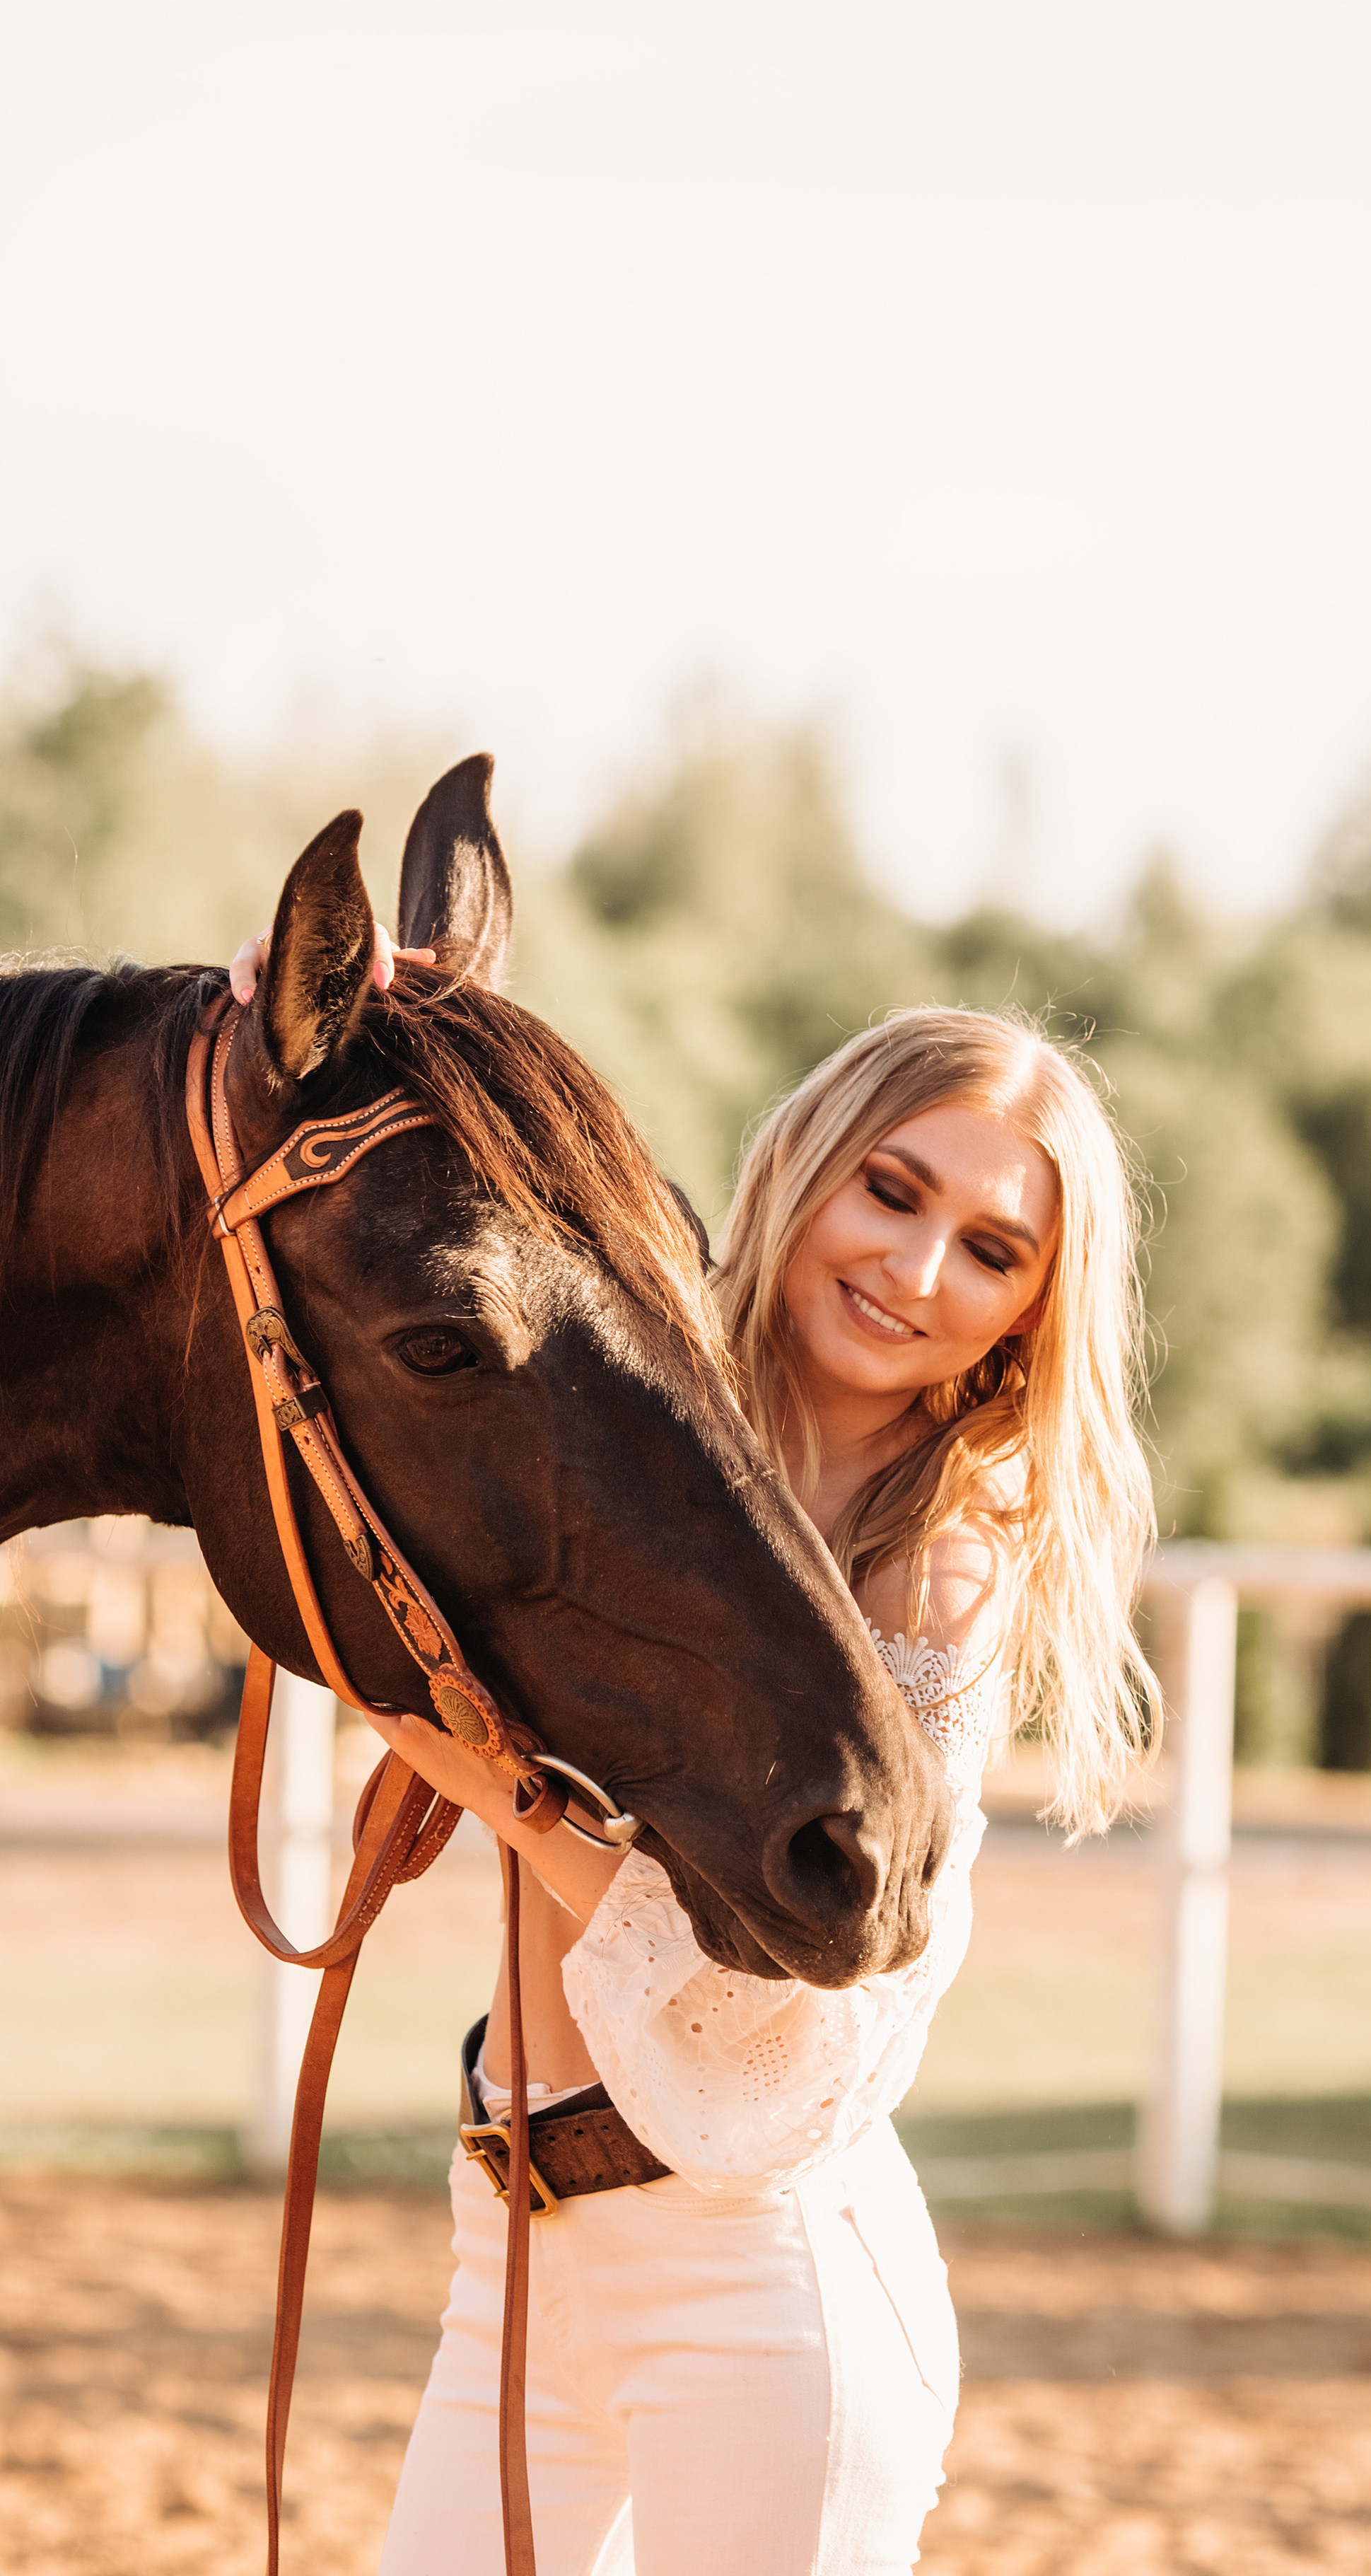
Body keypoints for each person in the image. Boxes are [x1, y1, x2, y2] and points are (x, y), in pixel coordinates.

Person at [228, 925, 1159, 2576]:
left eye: (990, 1250)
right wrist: (332, 1018)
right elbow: (473, 1203)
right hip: (516, 2232)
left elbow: (782, 1994)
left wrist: (478, 1781)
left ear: (1027, 1313)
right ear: (804, 1167)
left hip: (755, 2277)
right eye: (891, 1191)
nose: (916, 1270)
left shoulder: (928, 1563)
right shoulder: (633, 1437)